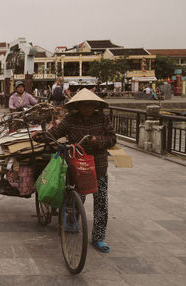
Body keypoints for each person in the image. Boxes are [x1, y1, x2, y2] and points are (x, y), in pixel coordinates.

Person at [32, 88, 117, 253]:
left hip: (98, 166)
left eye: (90, 105)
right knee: (76, 197)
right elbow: (55, 133)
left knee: (101, 203)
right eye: (84, 105)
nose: (87, 108)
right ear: (78, 106)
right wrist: (41, 136)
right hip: (77, 165)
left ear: (95, 105)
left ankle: (99, 237)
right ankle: (71, 222)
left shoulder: (103, 118)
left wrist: (97, 140)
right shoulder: (70, 119)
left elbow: (112, 139)